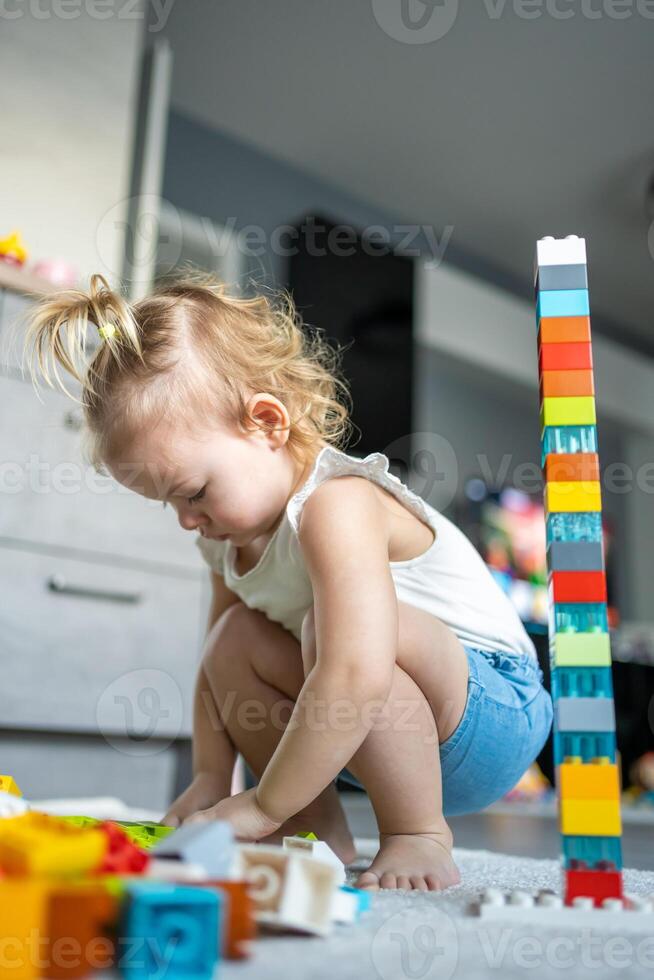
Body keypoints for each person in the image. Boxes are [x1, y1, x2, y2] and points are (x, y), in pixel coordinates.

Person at [23, 272, 552, 891]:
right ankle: (312, 826)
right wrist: (210, 779)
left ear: (268, 423)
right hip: (367, 730)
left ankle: (418, 834)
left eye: (194, 492)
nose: (187, 519)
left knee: (335, 633)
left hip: (490, 718)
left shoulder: (336, 503)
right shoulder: (220, 543)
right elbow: (216, 670)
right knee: (233, 638)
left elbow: (356, 668)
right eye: (168, 504)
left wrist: (259, 804)